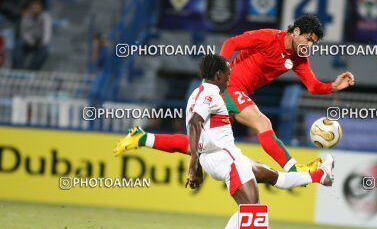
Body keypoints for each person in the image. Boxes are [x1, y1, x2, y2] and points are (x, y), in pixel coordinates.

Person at [114, 14, 354, 173]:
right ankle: (294, 169)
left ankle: (141, 138)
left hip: (237, 93)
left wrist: (332, 87)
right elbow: (231, 43)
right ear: (296, 31)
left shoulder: (300, 58)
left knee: (199, 146)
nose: (310, 45)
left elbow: (312, 86)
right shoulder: (269, 37)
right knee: (262, 122)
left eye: (314, 42)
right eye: (308, 39)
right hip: (230, 86)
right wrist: (220, 72)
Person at [188, 54, 334, 229]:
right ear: (218, 75)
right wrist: (193, 165)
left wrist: (198, 163)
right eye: (228, 74)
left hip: (223, 156)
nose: (230, 78)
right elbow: (195, 122)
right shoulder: (211, 94)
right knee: (253, 209)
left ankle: (321, 175)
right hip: (225, 158)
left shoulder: (199, 92)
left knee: (273, 177)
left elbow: (198, 127)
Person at [12, 0, 51, 70]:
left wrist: (43, 43)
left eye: (37, 7)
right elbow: (23, 32)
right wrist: (30, 41)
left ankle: (32, 70)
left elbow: (47, 33)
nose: (35, 9)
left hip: (40, 42)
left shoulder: (45, 17)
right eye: (33, 7)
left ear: (41, 8)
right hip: (28, 41)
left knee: (45, 50)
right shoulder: (26, 16)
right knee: (19, 44)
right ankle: (18, 69)